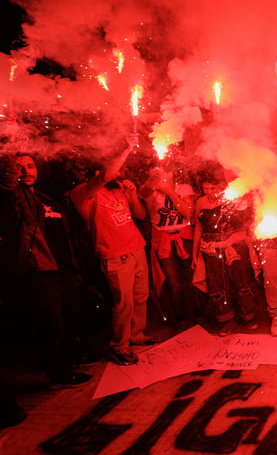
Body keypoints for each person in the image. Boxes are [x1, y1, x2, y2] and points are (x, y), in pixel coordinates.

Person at [0, 153, 93, 386]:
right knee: (51, 325)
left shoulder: (45, 197)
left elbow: (65, 234)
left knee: (68, 317)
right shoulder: (13, 196)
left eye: (30, 166)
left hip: (62, 267)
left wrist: (74, 266)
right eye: (19, 167)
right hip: (38, 268)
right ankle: (59, 373)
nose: (25, 171)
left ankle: (71, 358)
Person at [70, 134, 153, 365]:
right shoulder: (84, 193)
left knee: (140, 297)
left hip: (136, 248)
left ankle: (137, 335)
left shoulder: (119, 190)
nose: (119, 174)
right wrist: (127, 148)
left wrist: (133, 195)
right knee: (123, 303)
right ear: (98, 173)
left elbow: (140, 215)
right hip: (115, 255)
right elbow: (106, 175)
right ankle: (119, 346)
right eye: (116, 171)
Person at [192, 165, 259, 336]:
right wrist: (194, 255)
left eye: (212, 188)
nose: (209, 192)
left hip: (235, 243)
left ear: (221, 186)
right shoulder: (200, 202)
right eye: (205, 188)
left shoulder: (232, 198)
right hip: (211, 247)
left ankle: (248, 316)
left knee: (241, 279)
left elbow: (246, 219)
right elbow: (198, 228)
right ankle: (226, 320)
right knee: (217, 284)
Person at [139, 163, 196, 332]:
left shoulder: (183, 188)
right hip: (163, 241)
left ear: (171, 172)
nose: (161, 173)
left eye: (164, 170)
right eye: (155, 170)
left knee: (193, 279)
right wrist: (154, 181)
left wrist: (170, 191)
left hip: (185, 238)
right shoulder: (149, 190)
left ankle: (198, 317)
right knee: (174, 283)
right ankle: (181, 320)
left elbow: (188, 213)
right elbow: (144, 192)